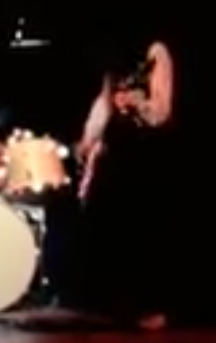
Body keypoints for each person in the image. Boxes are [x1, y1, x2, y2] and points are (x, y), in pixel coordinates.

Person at [75, 33, 178, 330]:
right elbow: (104, 104)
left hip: (147, 154)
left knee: (144, 230)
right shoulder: (114, 61)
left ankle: (150, 306)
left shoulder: (155, 51)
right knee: (112, 226)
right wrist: (87, 139)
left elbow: (161, 111)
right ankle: (118, 305)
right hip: (119, 154)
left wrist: (137, 101)